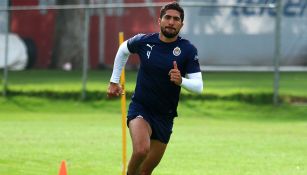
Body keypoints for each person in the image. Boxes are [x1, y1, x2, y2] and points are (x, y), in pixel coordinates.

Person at [107, 2, 203, 175]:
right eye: (167, 17)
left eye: (176, 19)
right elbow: (123, 49)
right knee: (141, 150)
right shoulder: (145, 41)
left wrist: (181, 80)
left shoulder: (188, 50)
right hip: (141, 108)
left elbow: (198, 87)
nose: (171, 22)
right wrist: (114, 81)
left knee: (145, 171)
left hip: (165, 117)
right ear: (159, 21)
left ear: (182, 24)